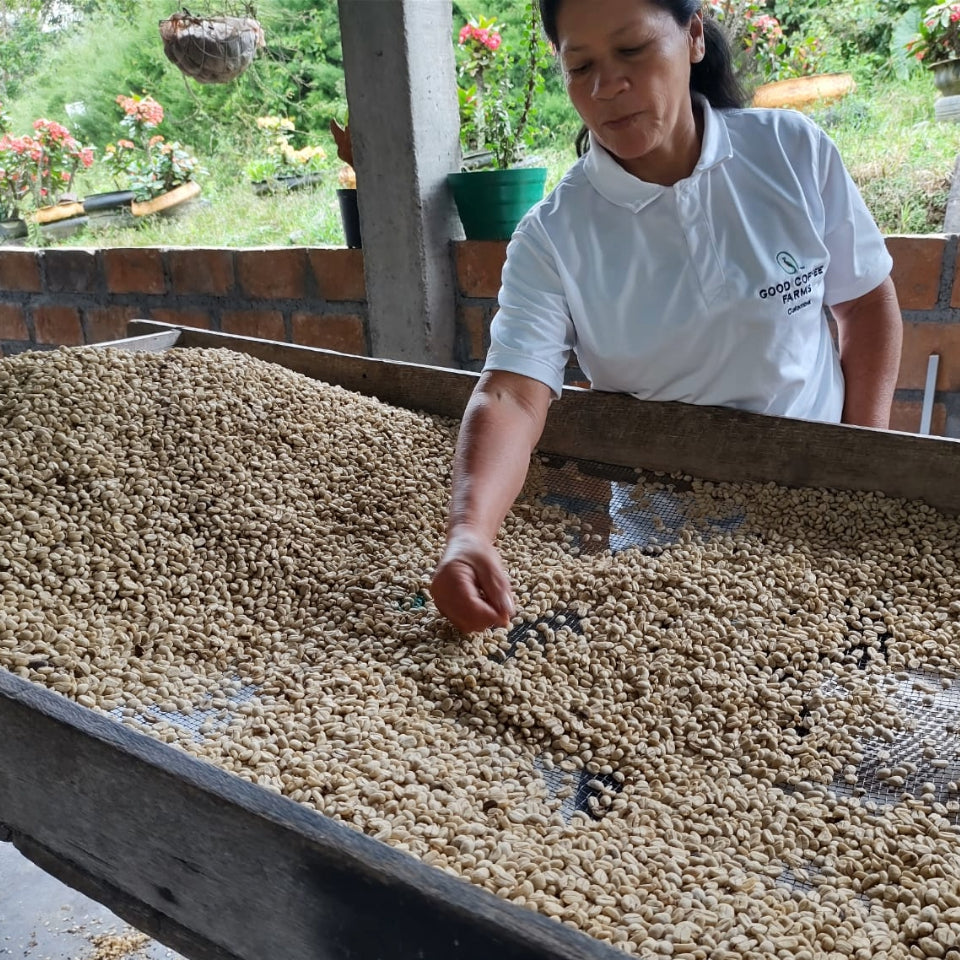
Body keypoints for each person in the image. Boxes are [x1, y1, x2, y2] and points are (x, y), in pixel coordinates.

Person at [431, 0, 904, 634]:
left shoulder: (791, 153)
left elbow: (866, 304)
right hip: (662, 547)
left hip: (811, 517)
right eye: (581, 66)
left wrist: (859, 467)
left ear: (693, 38)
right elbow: (513, 393)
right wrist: (470, 532)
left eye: (631, 51)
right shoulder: (556, 236)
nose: (606, 87)